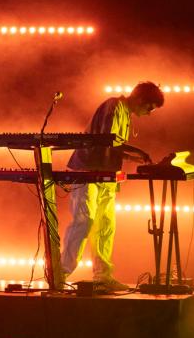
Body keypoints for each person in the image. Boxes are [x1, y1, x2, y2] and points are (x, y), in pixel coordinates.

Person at [61, 81, 165, 291]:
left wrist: (129, 156)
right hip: (88, 171)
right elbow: (107, 140)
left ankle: (103, 276)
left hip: (105, 173)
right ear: (140, 100)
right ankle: (60, 273)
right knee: (84, 221)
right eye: (149, 108)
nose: (149, 113)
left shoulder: (124, 112)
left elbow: (111, 146)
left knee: (106, 225)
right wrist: (138, 151)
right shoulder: (114, 106)